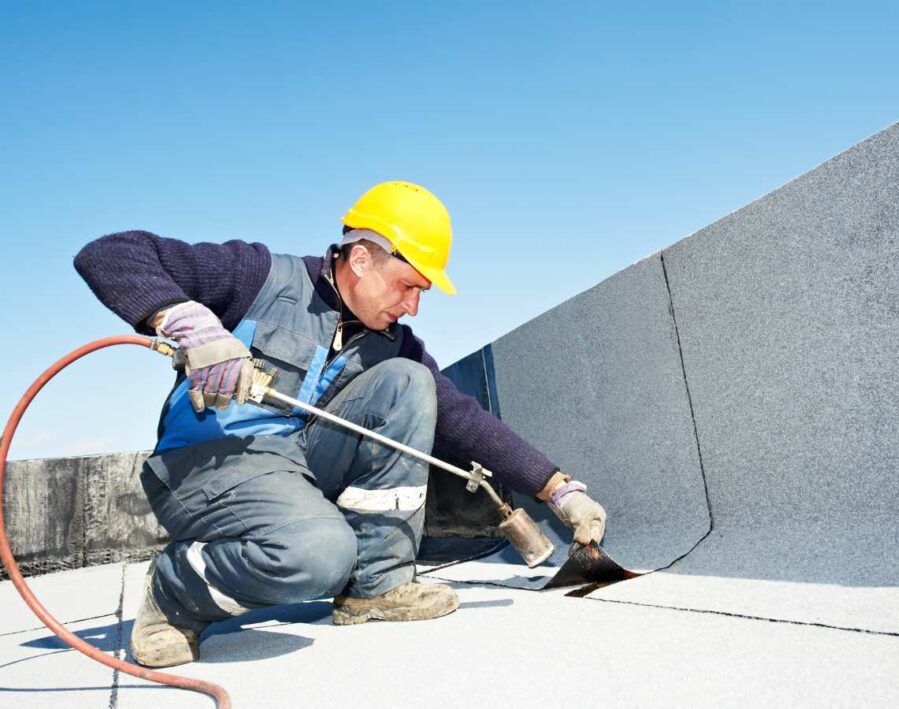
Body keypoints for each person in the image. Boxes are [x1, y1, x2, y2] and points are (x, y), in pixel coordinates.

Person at [74, 181, 607, 668]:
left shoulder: (390, 342)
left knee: (409, 383)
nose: (414, 306)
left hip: (294, 464)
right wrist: (189, 323)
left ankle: (376, 586)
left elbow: (464, 420)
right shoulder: (259, 276)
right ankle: (174, 589)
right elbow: (109, 254)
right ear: (360, 259)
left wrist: (558, 490)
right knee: (319, 556)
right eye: (407, 286)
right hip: (208, 463)